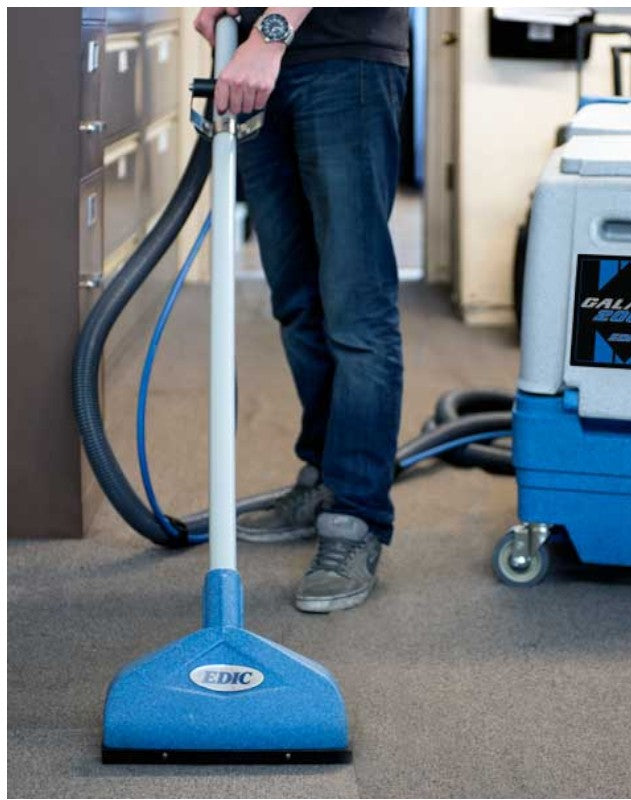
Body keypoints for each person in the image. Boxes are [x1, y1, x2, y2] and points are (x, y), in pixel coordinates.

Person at [194, 7, 409, 613]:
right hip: (265, 68)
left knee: (356, 310)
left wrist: (271, 32)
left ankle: (357, 516)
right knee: (296, 301)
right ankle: (323, 476)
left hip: (346, 60)